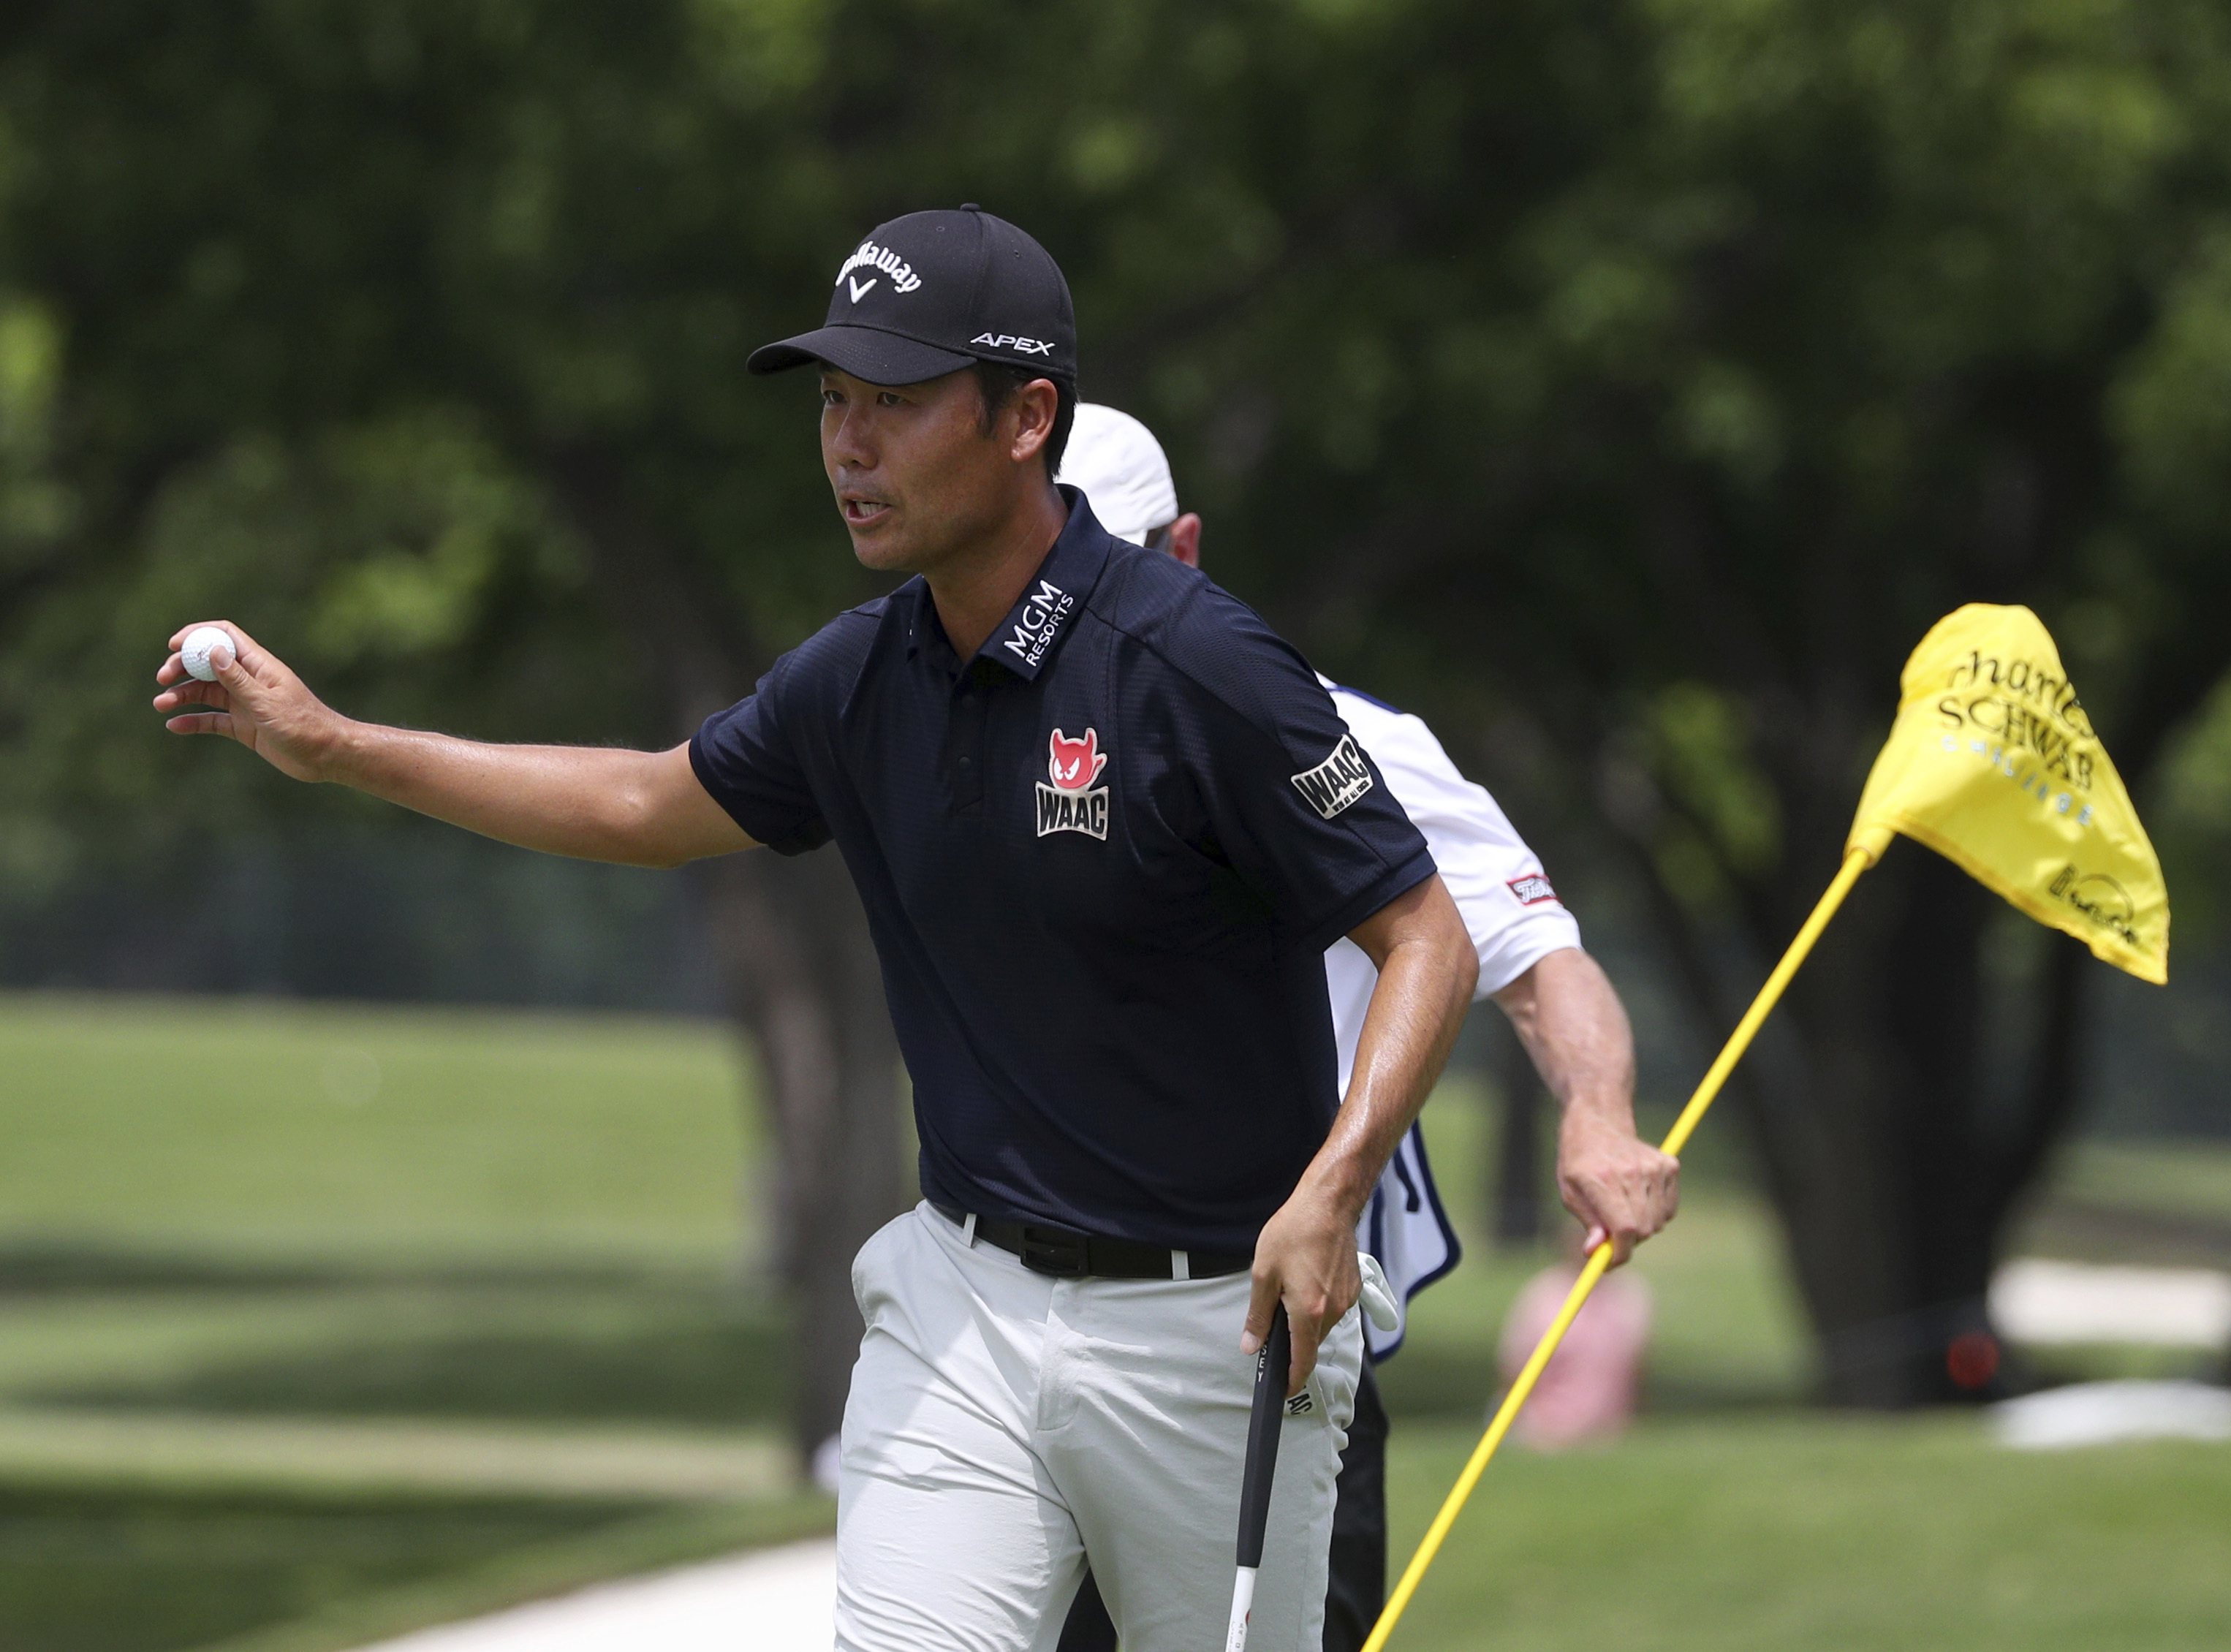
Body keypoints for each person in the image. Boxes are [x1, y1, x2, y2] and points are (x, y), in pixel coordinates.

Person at [151, 208, 1480, 1652]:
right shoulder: (861, 678)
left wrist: (1334, 1186)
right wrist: (341, 744)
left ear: (1027, 415)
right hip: (962, 1303)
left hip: (1214, 1329)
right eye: (835, 403)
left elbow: (1424, 934)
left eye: (895, 404)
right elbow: (638, 801)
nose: (848, 444)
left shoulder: (1196, 664)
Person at [1053, 405, 1679, 1652]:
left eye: (1105, 572)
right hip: (1035, 1328)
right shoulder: (965, 735)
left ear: (1180, 554)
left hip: (1283, 1339)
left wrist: (1597, 1114)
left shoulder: (1350, 747)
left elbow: (1542, 960)